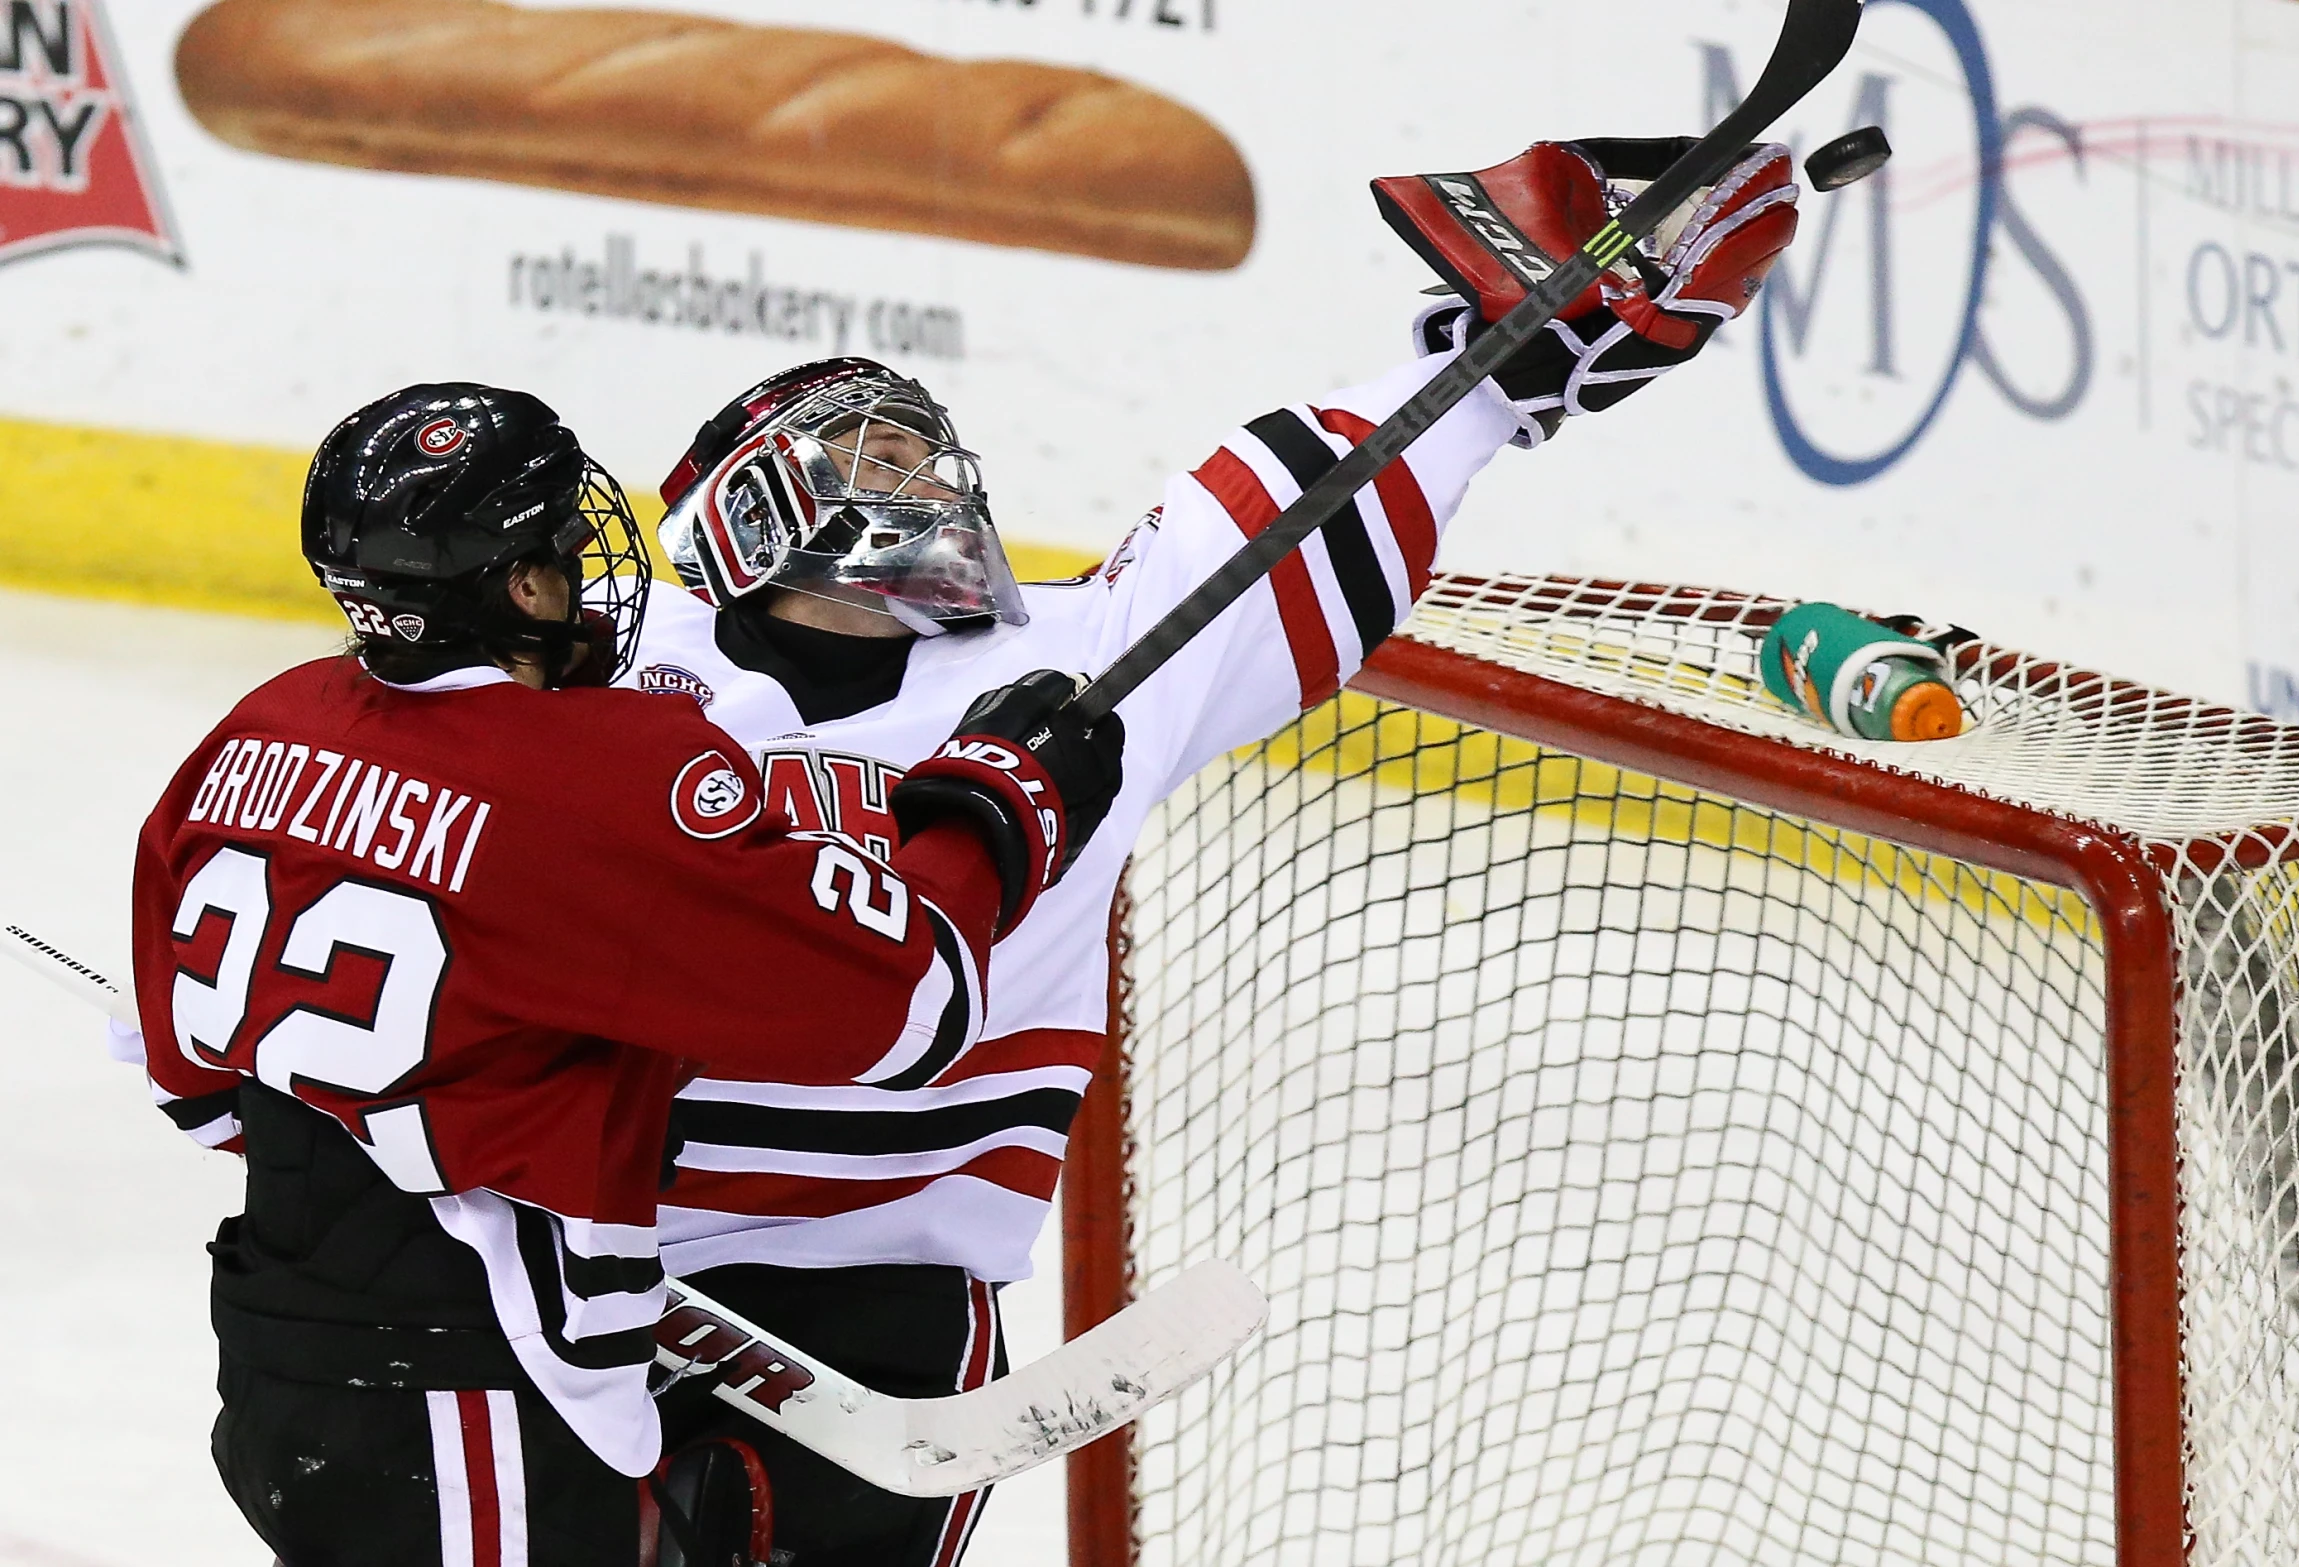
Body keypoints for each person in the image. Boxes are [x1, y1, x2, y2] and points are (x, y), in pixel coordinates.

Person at [627, 137, 1803, 1565]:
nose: (929, 485)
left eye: (929, 451)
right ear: (757, 512)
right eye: (874, 462)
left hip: (889, 1278)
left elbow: (1273, 512)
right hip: (588, 1229)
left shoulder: (1079, 662)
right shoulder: (612, 676)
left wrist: (1497, 359)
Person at [122, 383, 1123, 1567]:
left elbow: (187, 1075)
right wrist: (994, 811)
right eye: (561, 545)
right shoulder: (592, 773)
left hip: (272, 1349)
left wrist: (419, 1128)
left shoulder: (260, 728)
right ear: (524, 586)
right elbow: (887, 1000)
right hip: (461, 1396)